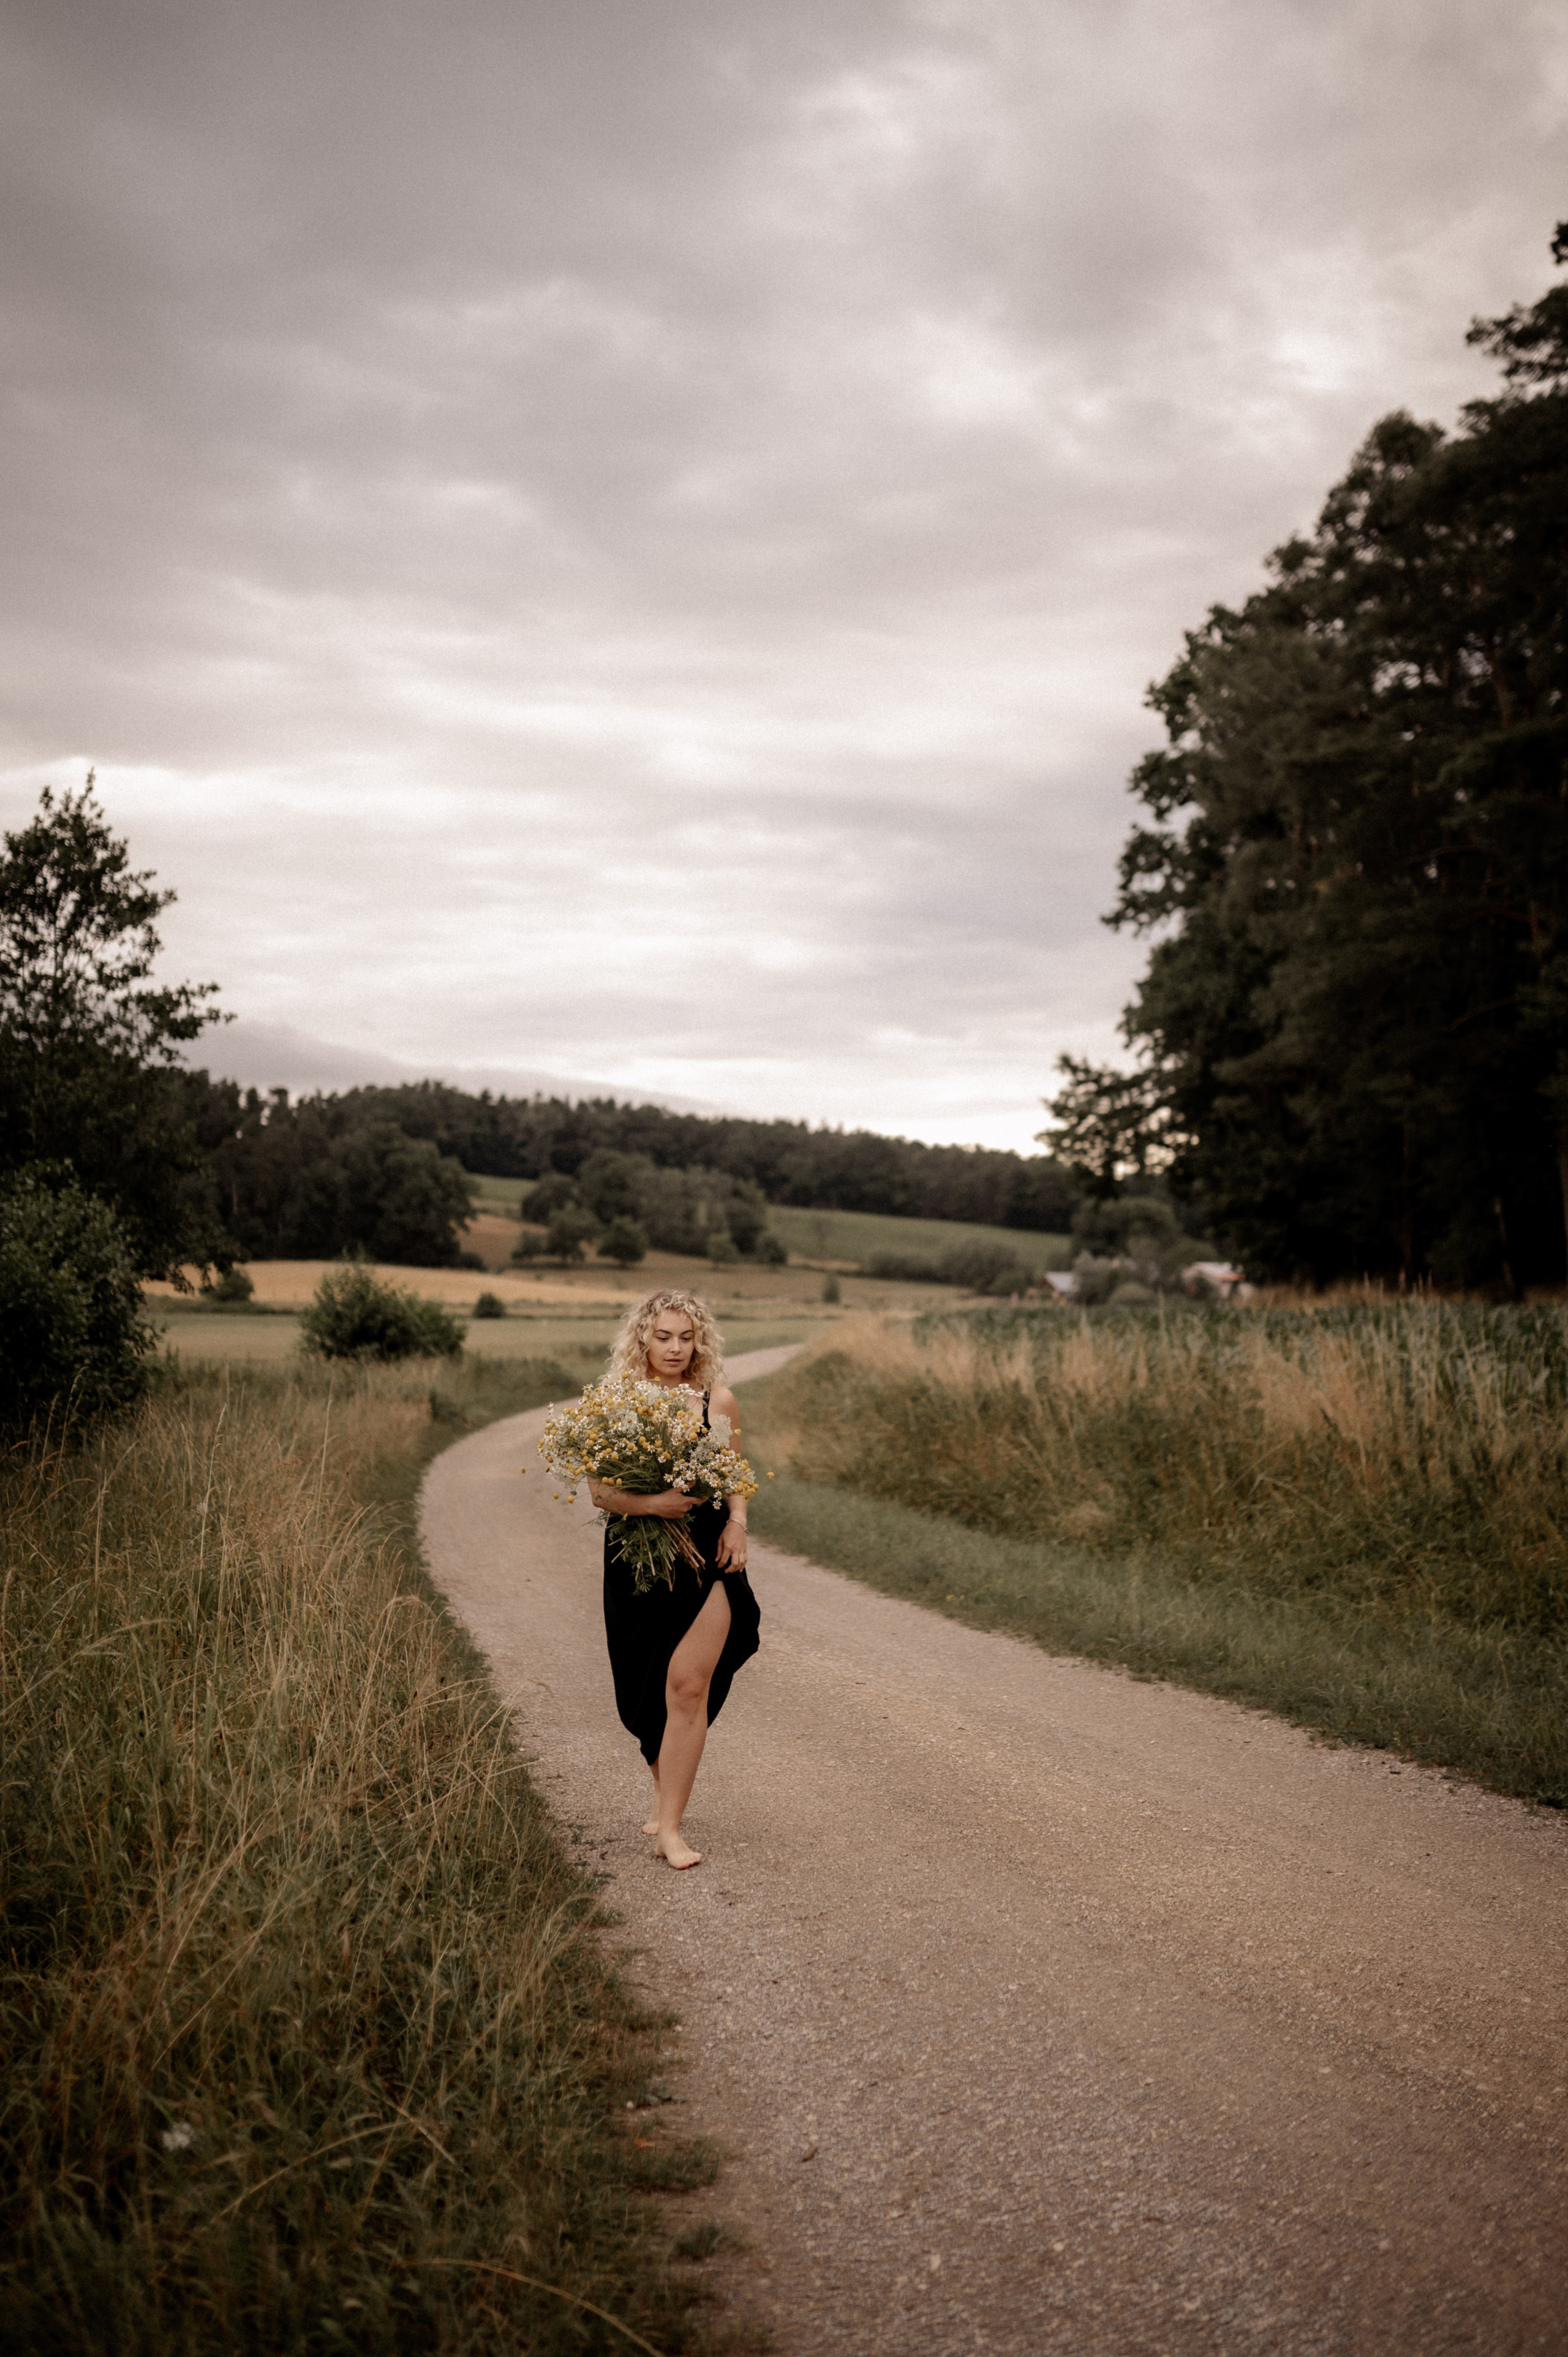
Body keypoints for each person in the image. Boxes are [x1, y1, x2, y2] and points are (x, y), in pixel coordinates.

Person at [589, 1289, 760, 1869]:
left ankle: (671, 1829)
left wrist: (737, 1523)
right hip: (636, 1557)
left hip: (706, 1554)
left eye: (687, 1337)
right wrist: (652, 1504)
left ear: (699, 1341)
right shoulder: (615, 1401)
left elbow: (733, 1475)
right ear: (643, 1337)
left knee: (687, 1686)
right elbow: (600, 1492)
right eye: (664, 1336)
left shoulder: (717, 1400)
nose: (675, 1348)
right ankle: (664, 1797)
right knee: (642, 1690)